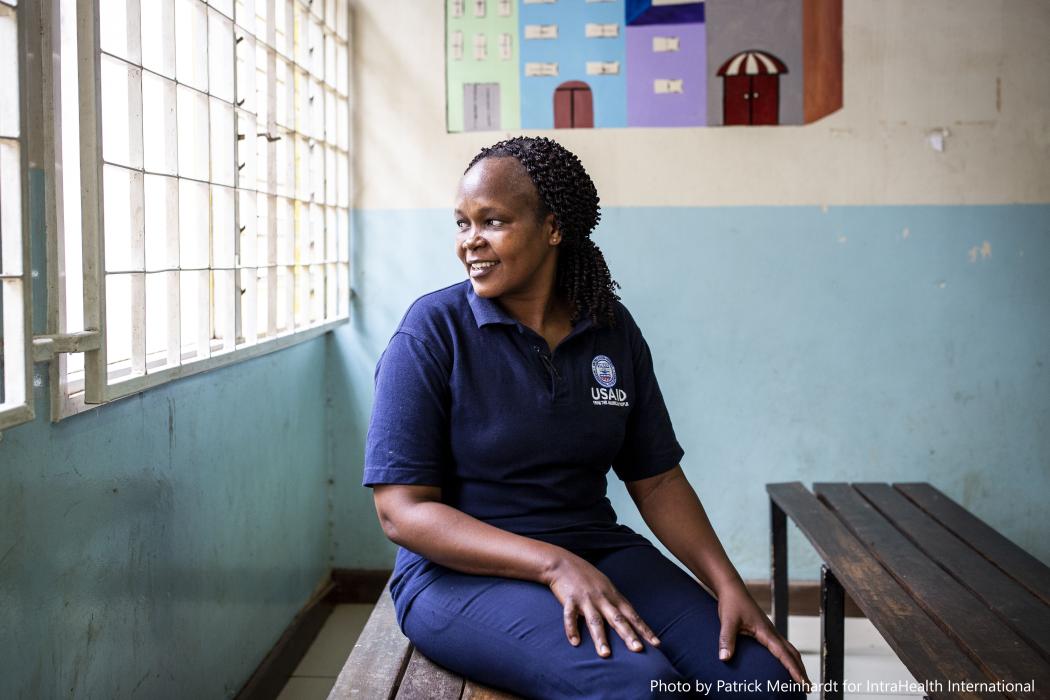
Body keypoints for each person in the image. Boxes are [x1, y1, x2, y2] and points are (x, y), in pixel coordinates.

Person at [362, 136, 809, 699]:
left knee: (764, 682)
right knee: (640, 685)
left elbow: (658, 479)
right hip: (457, 575)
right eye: (461, 223)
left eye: (493, 221)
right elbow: (401, 512)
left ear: (553, 228)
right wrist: (552, 565)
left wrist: (727, 585)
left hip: (594, 549)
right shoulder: (432, 331)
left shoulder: (609, 327)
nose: (470, 242)